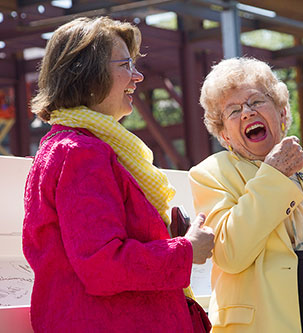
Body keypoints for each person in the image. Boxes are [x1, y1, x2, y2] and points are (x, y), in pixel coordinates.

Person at [23, 16, 214, 332]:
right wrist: (186, 250)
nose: (137, 76)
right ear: (86, 73)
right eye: (125, 64)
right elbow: (103, 265)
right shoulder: (81, 153)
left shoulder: (68, 147)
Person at [188, 57, 303, 332]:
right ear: (224, 135)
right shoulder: (210, 173)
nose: (247, 113)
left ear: (283, 113)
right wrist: (273, 175)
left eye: (256, 102)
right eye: (233, 110)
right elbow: (230, 254)